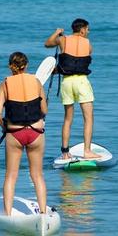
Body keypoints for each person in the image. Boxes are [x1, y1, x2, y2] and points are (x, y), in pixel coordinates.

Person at [0, 52, 48, 216]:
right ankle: (43, 214)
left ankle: (8, 215)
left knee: (10, 176)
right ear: (26, 66)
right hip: (36, 132)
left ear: (11, 66)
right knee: (37, 175)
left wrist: (4, 127)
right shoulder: (36, 81)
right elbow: (44, 110)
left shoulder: (5, 84)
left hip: (15, 133)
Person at [44, 19, 101, 160]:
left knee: (68, 118)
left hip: (67, 83)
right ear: (82, 29)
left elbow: (48, 44)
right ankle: (87, 151)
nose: (88, 32)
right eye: (87, 29)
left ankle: (65, 152)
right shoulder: (88, 44)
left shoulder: (63, 40)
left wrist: (57, 33)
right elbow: (80, 60)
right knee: (88, 119)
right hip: (81, 82)